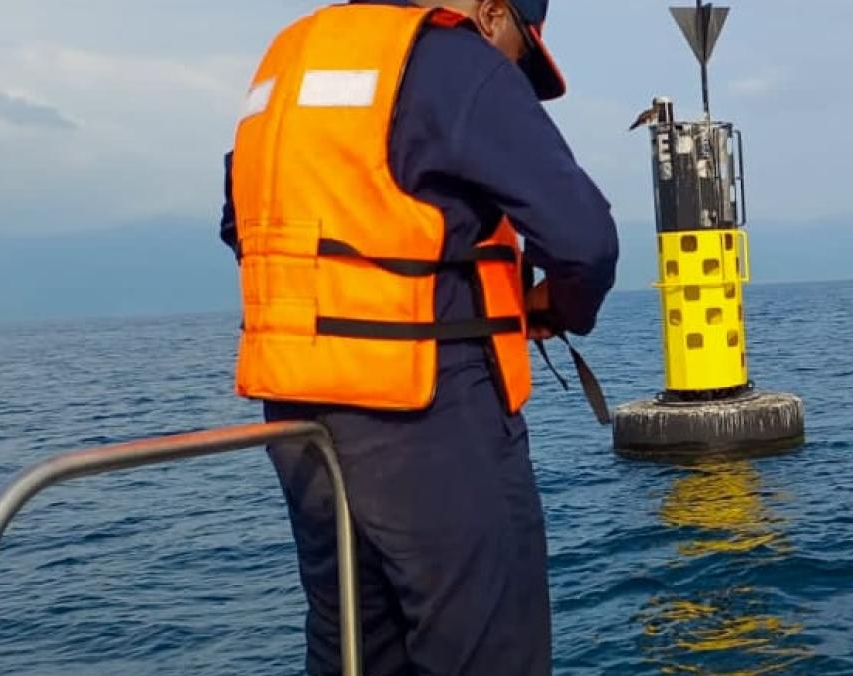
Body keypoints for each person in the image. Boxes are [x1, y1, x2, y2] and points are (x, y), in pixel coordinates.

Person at [217, 0, 618, 673]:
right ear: (492, 14)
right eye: (522, 53)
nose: (512, 71)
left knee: (355, 645)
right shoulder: (452, 60)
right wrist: (559, 306)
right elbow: (585, 240)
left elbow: (245, 225)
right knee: (486, 648)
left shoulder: (287, 62)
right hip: (429, 411)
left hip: (296, 422)